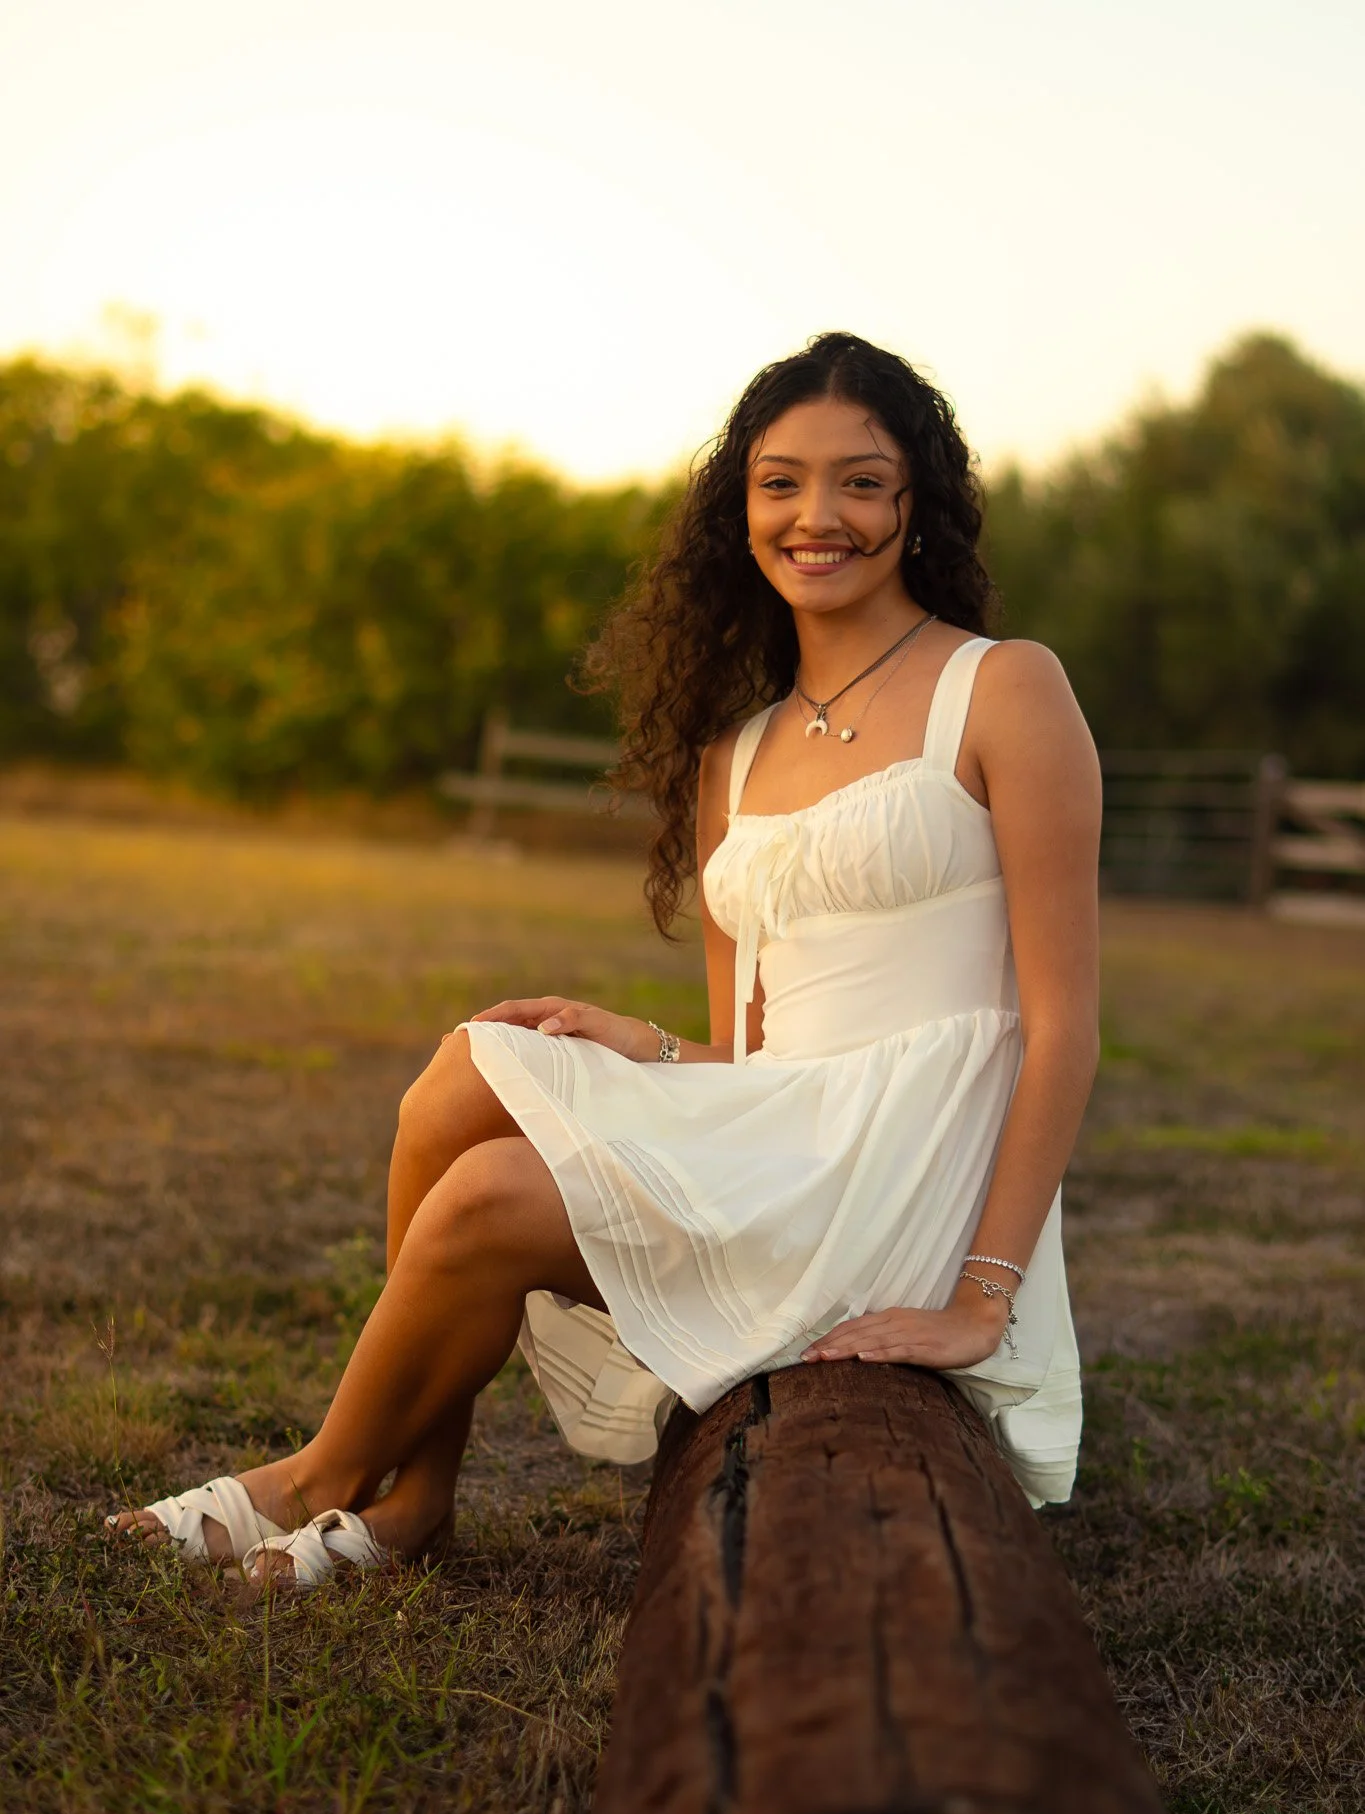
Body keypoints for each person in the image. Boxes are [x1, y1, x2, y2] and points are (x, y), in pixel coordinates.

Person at [107, 332, 1101, 1587]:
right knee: (475, 1060)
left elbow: (1062, 1026)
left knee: (485, 1199)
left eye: (861, 480)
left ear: (918, 503)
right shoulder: (733, 757)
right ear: (740, 507)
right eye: (781, 481)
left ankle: (323, 1474)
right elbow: (762, 1058)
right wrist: (653, 1047)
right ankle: (422, 1493)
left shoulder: (1005, 690)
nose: (818, 515)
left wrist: (984, 1296)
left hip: (912, 1171)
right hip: (794, 1133)